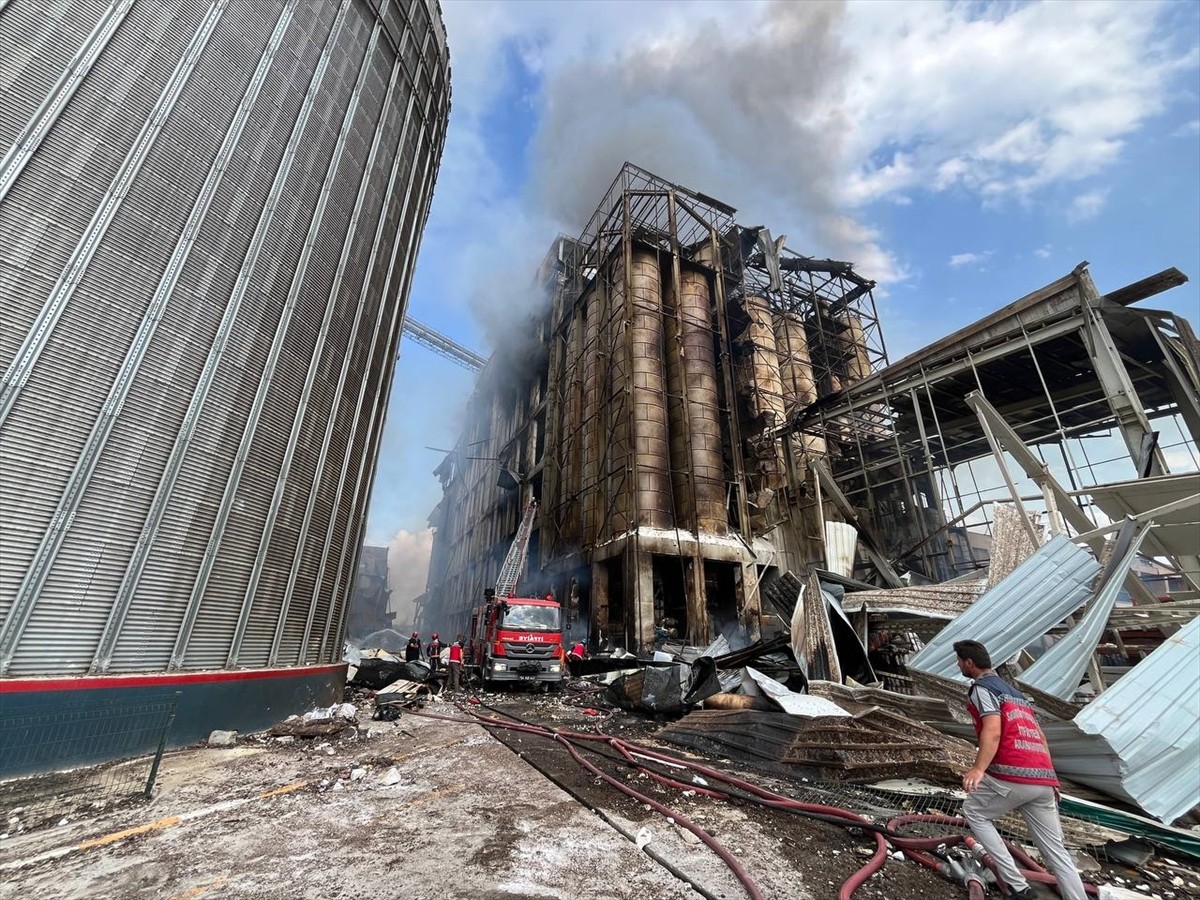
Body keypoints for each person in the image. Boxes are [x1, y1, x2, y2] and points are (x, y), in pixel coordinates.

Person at [954, 640, 1088, 900]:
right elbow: (1039, 736)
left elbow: (993, 729)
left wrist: (978, 769)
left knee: (974, 812)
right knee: (1055, 850)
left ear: (969, 663)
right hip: (1043, 778)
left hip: (1013, 773)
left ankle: (1017, 885)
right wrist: (1053, 779)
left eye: (959, 661)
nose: (958, 665)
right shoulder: (1015, 694)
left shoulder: (982, 689)